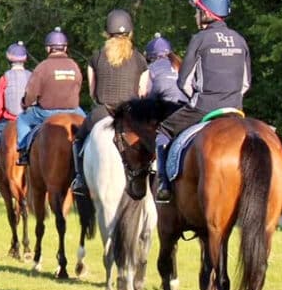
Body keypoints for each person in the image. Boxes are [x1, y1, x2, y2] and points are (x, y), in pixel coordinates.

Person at [154, 0, 250, 202]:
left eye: (197, 11)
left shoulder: (200, 39)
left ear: (207, 13)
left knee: (163, 130)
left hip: (203, 107)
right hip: (235, 109)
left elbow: (184, 81)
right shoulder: (240, 40)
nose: (196, 15)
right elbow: (245, 83)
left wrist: (195, 98)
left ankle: (164, 185)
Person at [71, 10, 150, 194]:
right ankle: (153, 175)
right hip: (130, 114)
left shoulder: (96, 56)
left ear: (107, 32)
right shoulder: (140, 58)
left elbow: (92, 91)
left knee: (78, 139)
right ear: (130, 32)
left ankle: (80, 179)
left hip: (103, 112)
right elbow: (142, 92)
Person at [15, 28, 85, 164]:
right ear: (65, 47)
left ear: (48, 48)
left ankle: (23, 152)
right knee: (91, 125)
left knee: (22, 120)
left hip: (46, 113)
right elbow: (78, 86)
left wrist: (26, 103)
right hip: (73, 111)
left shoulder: (42, 67)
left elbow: (32, 93)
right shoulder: (74, 66)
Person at [0, 42, 32, 166]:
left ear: (9, 59)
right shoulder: (31, 76)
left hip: (9, 119)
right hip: (29, 118)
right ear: (25, 59)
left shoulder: (5, 77)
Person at [145, 33, 188, 104]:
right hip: (186, 107)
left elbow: (146, 94)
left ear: (150, 57)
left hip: (168, 109)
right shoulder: (181, 65)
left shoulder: (152, 68)